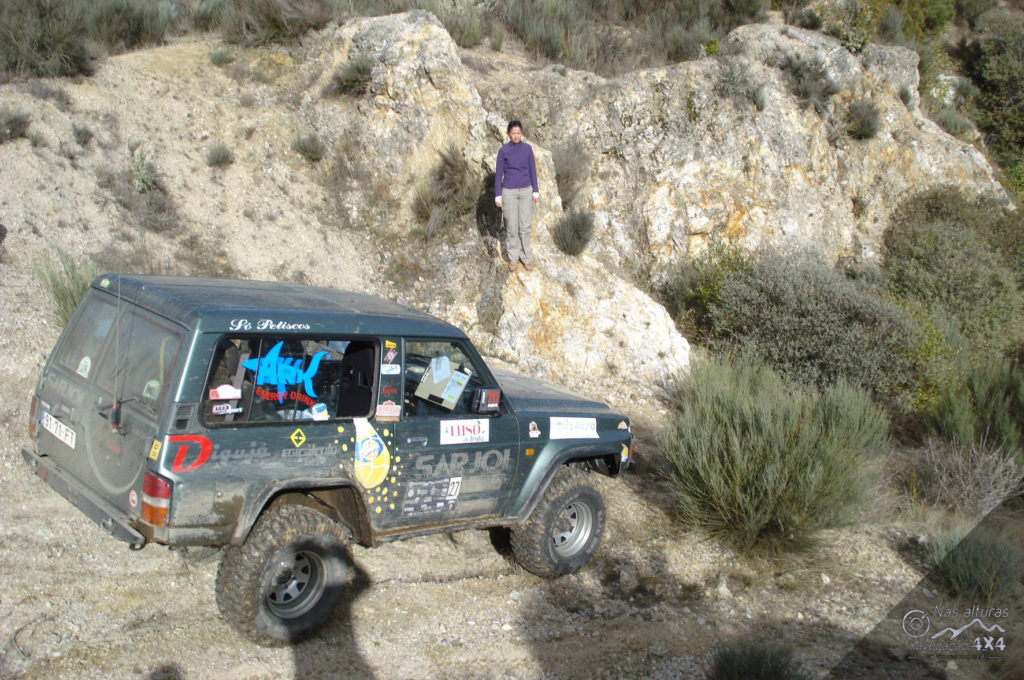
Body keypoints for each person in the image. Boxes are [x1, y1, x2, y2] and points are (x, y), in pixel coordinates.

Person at [494, 120, 539, 271]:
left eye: (518, 133)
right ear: (508, 134)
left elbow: (533, 170)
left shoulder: (527, 149)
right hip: (509, 192)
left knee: (525, 226)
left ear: (522, 133)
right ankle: (513, 258)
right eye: (513, 133)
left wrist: (535, 190)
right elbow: (498, 173)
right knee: (512, 226)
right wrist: (498, 195)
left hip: (526, 190)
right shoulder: (503, 151)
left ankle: (526, 257)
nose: (516, 136)